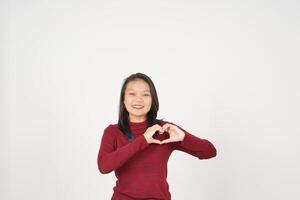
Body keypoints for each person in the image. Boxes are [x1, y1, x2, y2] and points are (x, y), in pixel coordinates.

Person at [97, 72, 217, 200]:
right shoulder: (113, 131)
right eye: (132, 94)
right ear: (123, 100)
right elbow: (104, 166)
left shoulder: (164, 130)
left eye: (145, 94)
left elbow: (210, 152)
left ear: (153, 99)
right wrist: (143, 140)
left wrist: (184, 138)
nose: (139, 99)